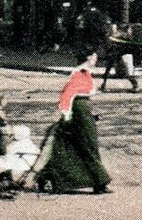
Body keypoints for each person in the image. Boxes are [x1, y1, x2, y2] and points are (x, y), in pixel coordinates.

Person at [38, 52, 111, 194]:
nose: (96, 59)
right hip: (79, 114)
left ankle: (47, 177)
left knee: (75, 147)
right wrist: (66, 116)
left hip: (83, 112)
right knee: (88, 146)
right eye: (94, 57)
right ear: (88, 57)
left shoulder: (85, 72)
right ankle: (99, 183)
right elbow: (67, 96)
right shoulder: (80, 73)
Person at [0, 125, 41, 190]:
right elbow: (38, 152)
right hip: (30, 164)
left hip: (20, 166)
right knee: (5, 161)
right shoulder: (29, 142)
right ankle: (11, 180)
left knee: (1, 162)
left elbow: (8, 154)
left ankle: (8, 179)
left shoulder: (15, 144)